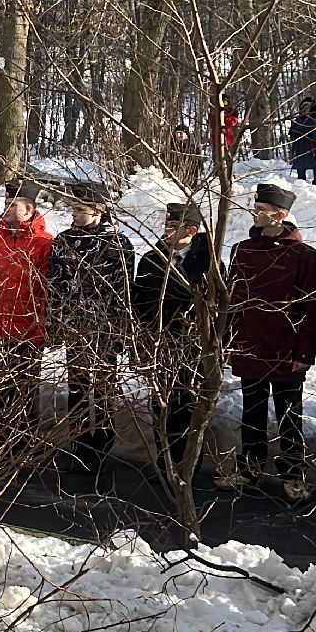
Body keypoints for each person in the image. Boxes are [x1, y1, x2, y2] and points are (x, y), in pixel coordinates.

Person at [223, 184, 316, 500]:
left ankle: (293, 474)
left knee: (289, 415)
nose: (254, 213)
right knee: (251, 414)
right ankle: (248, 470)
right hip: (250, 345)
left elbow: (311, 307)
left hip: (286, 349)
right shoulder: (243, 250)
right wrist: (229, 340)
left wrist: (305, 351)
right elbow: (231, 300)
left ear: (279, 215)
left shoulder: (303, 255)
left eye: (261, 208)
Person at [46, 181, 134, 478]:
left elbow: (123, 292)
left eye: (80, 209)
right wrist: (55, 324)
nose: (74, 214)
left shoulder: (118, 243)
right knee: (78, 390)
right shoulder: (63, 241)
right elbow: (54, 287)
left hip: (105, 329)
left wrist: (120, 332)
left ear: (99, 210)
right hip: (76, 328)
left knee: (105, 390)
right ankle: (80, 449)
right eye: (73, 208)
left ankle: (102, 450)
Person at [133, 202, 216, 487]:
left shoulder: (208, 262)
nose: (166, 231)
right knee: (161, 405)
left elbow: (218, 308)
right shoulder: (151, 260)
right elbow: (140, 304)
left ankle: (188, 465)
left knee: (190, 405)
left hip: (193, 347)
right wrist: (144, 342)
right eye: (166, 225)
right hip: (160, 344)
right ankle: (165, 460)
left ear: (190, 231)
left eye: (172, 226)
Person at [0, 181, 55, 443]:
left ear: (29, 208)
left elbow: (45, 291)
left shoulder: (45, 243)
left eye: (12, 205)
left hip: (28, 329)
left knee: (24, 387)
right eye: (5, 204)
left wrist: (42, 327)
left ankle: (22, 442)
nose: (6, 209)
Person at [288, 99, 316, 184]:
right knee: (301, 176)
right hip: (300, 150)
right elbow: (292, 133)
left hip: (315, 149)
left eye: (308, 107)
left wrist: (312, 135)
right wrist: (297, 134)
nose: (305, 109)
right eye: (303, 107)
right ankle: (302, 189)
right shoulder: (297, 120)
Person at [165, 125, 204, 190]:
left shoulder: (193, 148)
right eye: (177, 133)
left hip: (190, 180)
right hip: (172, 181)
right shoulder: (171, 147)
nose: (179, 135)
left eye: (181, 133)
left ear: (186, 134)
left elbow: (200, 165)